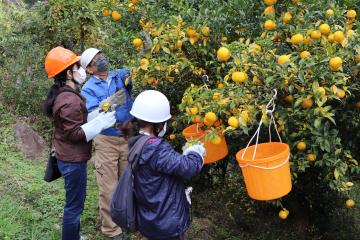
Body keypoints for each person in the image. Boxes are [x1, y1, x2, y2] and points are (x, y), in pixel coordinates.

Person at [43, 46, 117, 240]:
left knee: (74, 204)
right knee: (74, 207)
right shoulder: (69, 100)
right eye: (77, 67)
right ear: (68, 73)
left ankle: (73, 237)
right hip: (72, 161)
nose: (81, 70)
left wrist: (98, 113)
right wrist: (101, 123)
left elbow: (74, 123)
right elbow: (75, 133)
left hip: (67, 155)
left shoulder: (65, 94)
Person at [122, 90, 206, 240]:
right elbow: (189, 168)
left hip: (151, 215)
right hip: (166, 220)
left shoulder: (137, 141)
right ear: (158, 124)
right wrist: (195, 152)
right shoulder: (155, 148)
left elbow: (167, 165)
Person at [80, 48, 133, 240]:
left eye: (100, 55)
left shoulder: (119, 75)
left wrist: (145, 55)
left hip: (127, 137)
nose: (101, 59)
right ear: (90, 69)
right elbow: (92, 116)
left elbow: (139, 72)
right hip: (106, 140)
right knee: (109, 186)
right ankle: (111, 230)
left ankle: (125, 221)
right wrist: (109, 103)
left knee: (126, 182)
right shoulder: (88, 88)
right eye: (95, 59)